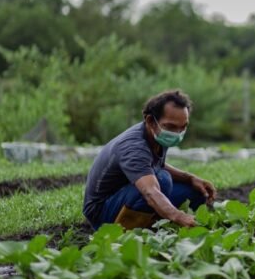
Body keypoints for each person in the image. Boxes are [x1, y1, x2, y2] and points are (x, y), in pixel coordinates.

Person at [82, 90, 216, 230]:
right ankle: (129, 230)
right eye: (171, 126)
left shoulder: (157, 135)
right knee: (162, 180)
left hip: (129, 194)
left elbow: (155, 165)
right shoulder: (134, 147)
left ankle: (158, 221)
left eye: (183, 127)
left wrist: (190, 178)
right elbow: (149, 191)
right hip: (102, 211)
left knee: (197, 192)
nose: (177, 133)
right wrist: (178, 216)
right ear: (151, 121)